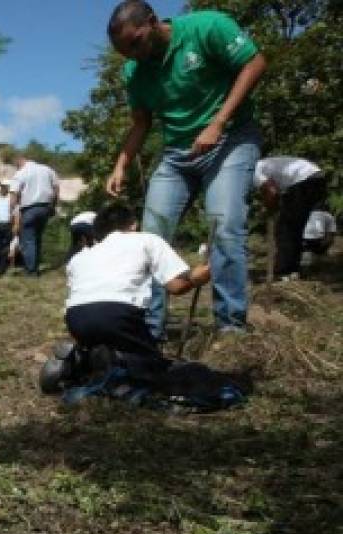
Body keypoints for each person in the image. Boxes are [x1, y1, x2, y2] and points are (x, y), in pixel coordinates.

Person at [105, 1, 266, 339]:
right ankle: (150, 328)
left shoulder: (207, 27)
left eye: (136, 42)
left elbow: (254, 63)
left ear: (152, 22)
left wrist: (218, 123)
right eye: (125, 52)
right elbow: (141, 123)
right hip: (177, 155)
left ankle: (230, 327)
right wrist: (120, 165)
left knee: (224, 225)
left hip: (230, 140)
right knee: (150, 236)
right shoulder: (135, 70)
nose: (133, 55)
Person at [61, 203, 209, 385]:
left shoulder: (80, 256)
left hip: (76, 319)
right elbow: (176, 287)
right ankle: (119, 363)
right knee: (153, 367)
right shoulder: (147, 241)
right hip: (118, 315)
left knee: (105, 341)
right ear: (133, 225)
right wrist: (196, 278)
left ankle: (81, 360)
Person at [253, 156, 326, 281]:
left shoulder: (252, 171)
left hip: (304, 180)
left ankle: (283, 272)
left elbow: (272, 192)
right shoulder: (259, 165)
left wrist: (269, 210)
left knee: (285, 229)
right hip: (316, 178)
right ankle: (292, 270)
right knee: (295, 228)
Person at [8, 153, 58, 276]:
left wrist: (12, 211)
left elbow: (13, 194)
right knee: (38, 238)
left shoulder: (21, 173)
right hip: (45, 207)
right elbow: (56, 188)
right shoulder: (47, 169)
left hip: (29, 209)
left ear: (19, 162)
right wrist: (53, 206)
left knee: (28, 240)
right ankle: (35, 266)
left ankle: (31, 271)